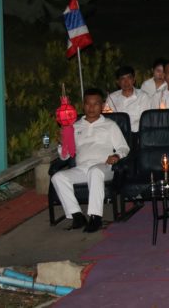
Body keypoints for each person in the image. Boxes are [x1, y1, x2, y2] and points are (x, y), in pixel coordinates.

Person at [51, 88, 130, 233]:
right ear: (83, 105)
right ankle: (77, 215)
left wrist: (116, 156)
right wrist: (62, 143)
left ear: (102, 105)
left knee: (95, 172)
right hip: (82, 168)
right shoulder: (74, 126)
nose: (91, 107)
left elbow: (123, 147)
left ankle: (96, 217)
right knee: (58, 177)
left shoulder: (110, 125)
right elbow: (65, 156)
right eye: (88, 104)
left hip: (104, 167)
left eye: (96, 104)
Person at [104, 65, 151, 132]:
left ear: (134, 80)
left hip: (137, 134)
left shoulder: (143, 96)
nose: (126, 82)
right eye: (122, 79)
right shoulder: (111, 98)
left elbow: (145, 120)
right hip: (116, 134)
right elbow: (108, 118)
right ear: (118, 82)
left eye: (129, 78)